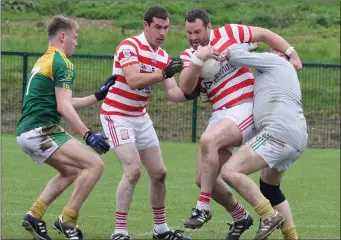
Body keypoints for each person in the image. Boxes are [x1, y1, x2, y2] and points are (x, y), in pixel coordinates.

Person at [178, 9, 302, 240]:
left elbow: (263, 34)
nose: (193, 37)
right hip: (221, 115)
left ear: (208, 27)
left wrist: (291, 53)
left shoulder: (229, 33)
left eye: (197, 31)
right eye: (189, 33)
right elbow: (185, 87)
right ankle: (240, 216)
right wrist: (198, 59)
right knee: (203, 177)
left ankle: (203, 207)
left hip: (244, 107)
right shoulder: (188, 55)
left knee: (209, 141)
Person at [17, 15, 114, 240]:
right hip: (41, 130)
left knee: (70, 171)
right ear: (63, 36)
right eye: (75, 37)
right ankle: (67, 220)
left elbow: (65, 101)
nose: (76, 43)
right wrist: (87, 134)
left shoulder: (44, 60)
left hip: (25, 132)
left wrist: (97, 96)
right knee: (95, 165)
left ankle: (35, 214)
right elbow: (63, 106)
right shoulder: (63, 62)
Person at [100, 6, 192, 240]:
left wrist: (195, 92)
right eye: (158, 27)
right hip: (116, 114)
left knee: (159, 173)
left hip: (139, 117)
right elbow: (133, 80)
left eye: (166, 28)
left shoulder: (161, 57)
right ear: (146, 26)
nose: (162, 33)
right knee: (132, 171)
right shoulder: (129, 46)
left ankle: (160, 230)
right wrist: (165, 73)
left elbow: (172, 92)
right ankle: (119, 231)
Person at [220, 44, 308, 240]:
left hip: (277, 134)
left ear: (280, 54)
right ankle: (292, 237)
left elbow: (233, 55)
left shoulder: (275, 61)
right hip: (297, 137)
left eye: (272, 48)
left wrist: (249, 44)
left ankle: (268, 216)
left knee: (230, 171)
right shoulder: (283, 70)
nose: (267, 50)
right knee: (270, 188)